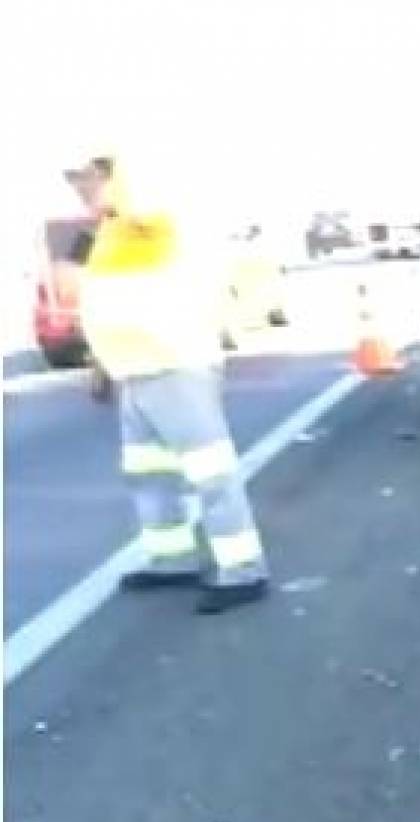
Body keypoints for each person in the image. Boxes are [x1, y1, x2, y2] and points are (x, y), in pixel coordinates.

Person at [69, 152, 270, 613]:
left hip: (176, 365)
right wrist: (100, 365)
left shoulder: (156, 220)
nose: (80, 188)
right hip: (134, 372)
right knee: (149, 476)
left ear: (117, 177)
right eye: (74, 179)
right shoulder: (110, 235)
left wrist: (116, 174)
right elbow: (108, 305)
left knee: (210, 474)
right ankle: (171, 558)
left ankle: (243, 570)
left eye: (88, 178)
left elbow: (140, 198)